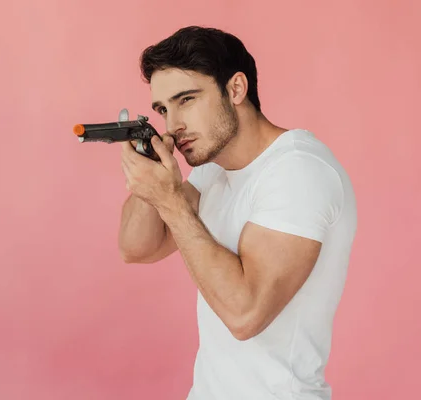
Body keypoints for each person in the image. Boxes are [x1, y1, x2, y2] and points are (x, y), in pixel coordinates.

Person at [118, 26, 357, 400]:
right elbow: (138, 248)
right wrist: (148, 174)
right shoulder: (214, 168)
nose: (172, 125)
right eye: (163, 109)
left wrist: (168, 198)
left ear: (235, 89)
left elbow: (245, 315)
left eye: (187, 100)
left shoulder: (299, 171)